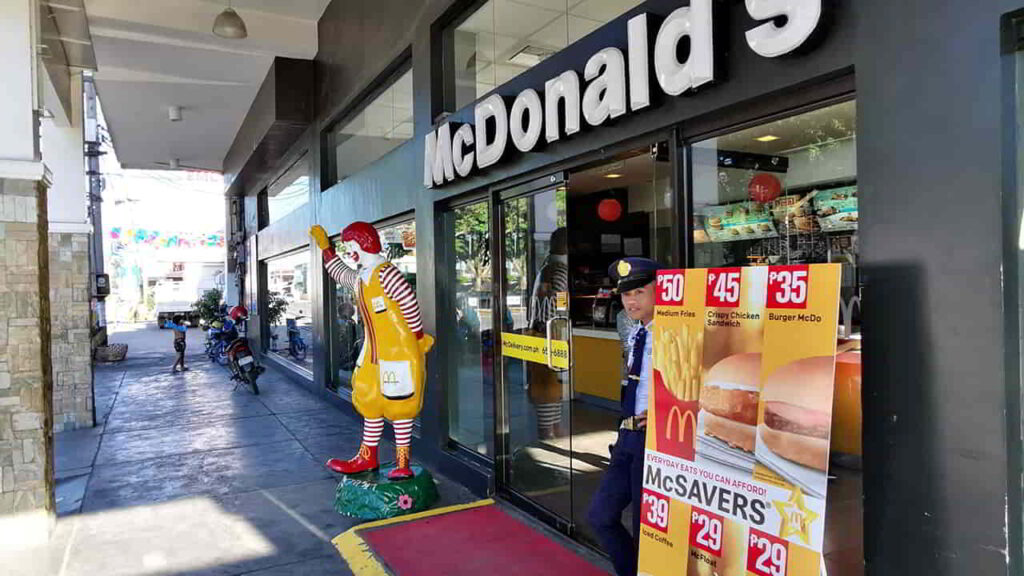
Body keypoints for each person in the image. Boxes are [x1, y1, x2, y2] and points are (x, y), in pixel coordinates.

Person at [311, 222, 434, 480]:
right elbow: (340, 274)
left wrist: (418, 338)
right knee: (369, 400)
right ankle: (367, 456)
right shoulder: (362, 276)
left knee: (400, 403)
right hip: (372, 352)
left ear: (363, 242)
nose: (349, 252)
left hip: (398, 351)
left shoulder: (386, 273)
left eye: (350, 245)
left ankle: (402, 463)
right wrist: (326, 249)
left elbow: (409, 304)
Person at [587, 257, 661, 576]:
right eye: (625, 294)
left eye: (639, 292)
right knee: (600, 517)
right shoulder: (637, 332)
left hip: (654, 439)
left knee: (648, 527)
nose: (631, 300)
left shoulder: (673, 334)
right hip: (627, 436)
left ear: (660, 291)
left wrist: (665, 413)